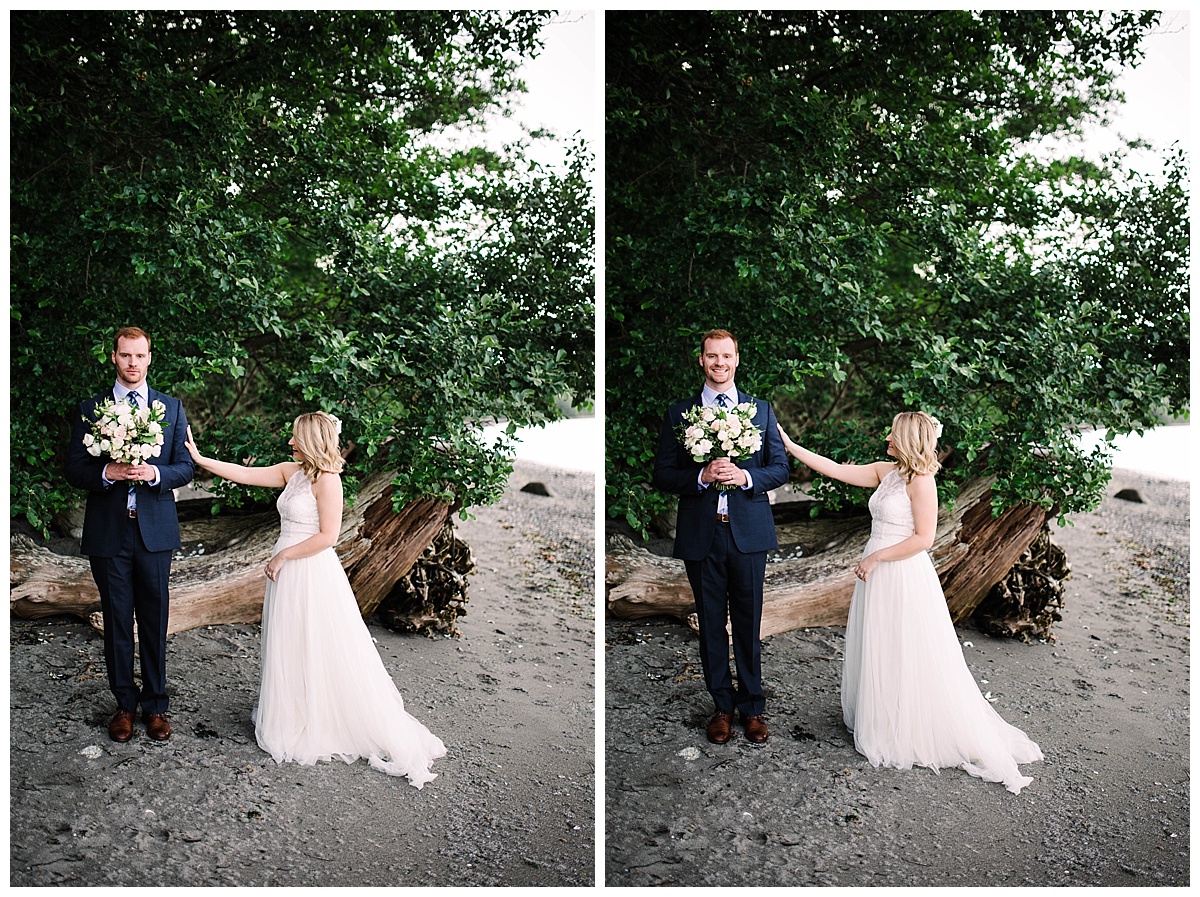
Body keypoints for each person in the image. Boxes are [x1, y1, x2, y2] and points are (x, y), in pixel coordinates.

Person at [777, 411, 1043, 793]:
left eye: (893, 432)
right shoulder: (887, 472)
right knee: (880, 644)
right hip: (879, 573)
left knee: (906, 647)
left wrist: (876, 557)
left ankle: (905, 727)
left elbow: (924, 538)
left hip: (901, 572)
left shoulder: (922, 482)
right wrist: (790, 446)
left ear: (907, 438)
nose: (886, 435)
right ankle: (884, 717)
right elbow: (835, 469)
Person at [184, 412, 445, 787]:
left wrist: (283, 556)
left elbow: (328, 536)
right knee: (288, 641)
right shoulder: (292, 472)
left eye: (295, 438)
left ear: (310, 440)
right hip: (287, 570)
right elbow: (244, 475)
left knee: (317, 642)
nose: (290, 443)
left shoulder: (329, 480)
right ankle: (295, 712)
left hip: (309, 569)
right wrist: (201, 460)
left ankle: (320, 717)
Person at [653, 329, 791, 744]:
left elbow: (781, 468)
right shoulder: (680, 414)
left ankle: (753, 708)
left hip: (748, 533)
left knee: (748, 623)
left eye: (726, 356)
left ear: (737, 359)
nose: (719, 363)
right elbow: (662, 473)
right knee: (711, 623)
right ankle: (721, 707)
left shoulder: (760, 410)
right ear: (701, 360)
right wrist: (701, 475)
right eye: (712, 356)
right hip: (703, 534)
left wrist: (746, 474)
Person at [65, 327, 195, 743]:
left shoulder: (171, 408)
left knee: (154, 621)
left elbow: (185, 467)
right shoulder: (91, 409)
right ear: (114, 358)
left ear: (150, 358)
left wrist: (154, 472)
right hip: (109, 533)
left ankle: (156, 706)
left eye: (140, 356)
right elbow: (74, 469)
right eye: (125, 356)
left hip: (155, 531)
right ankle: (124, 704)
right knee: (118, 621)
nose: (133, 363)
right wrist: (109, 471)